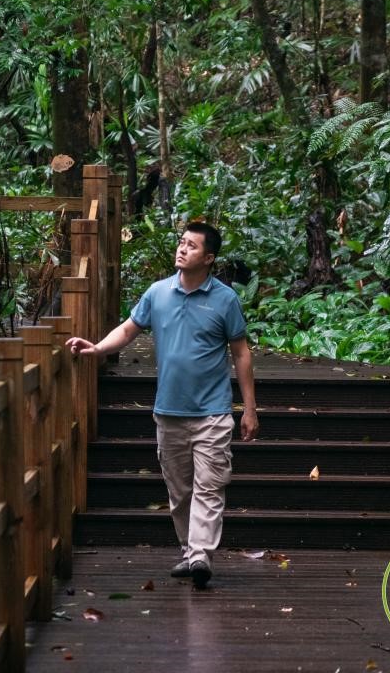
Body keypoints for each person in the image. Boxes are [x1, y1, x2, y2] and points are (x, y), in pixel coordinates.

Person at [65, 220, 258, 588]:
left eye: (192, 246)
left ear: (209, 258)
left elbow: (241, 352)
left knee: (209, 486)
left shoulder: (224, 299)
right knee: (180, 491)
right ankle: (190, 552)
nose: (182, 249)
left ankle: (200, 555)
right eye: (181, 242)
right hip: (169, 411)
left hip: (213, 412)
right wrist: (97, 348)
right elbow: (128, 328)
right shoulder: (157, 293)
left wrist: (249, 408)